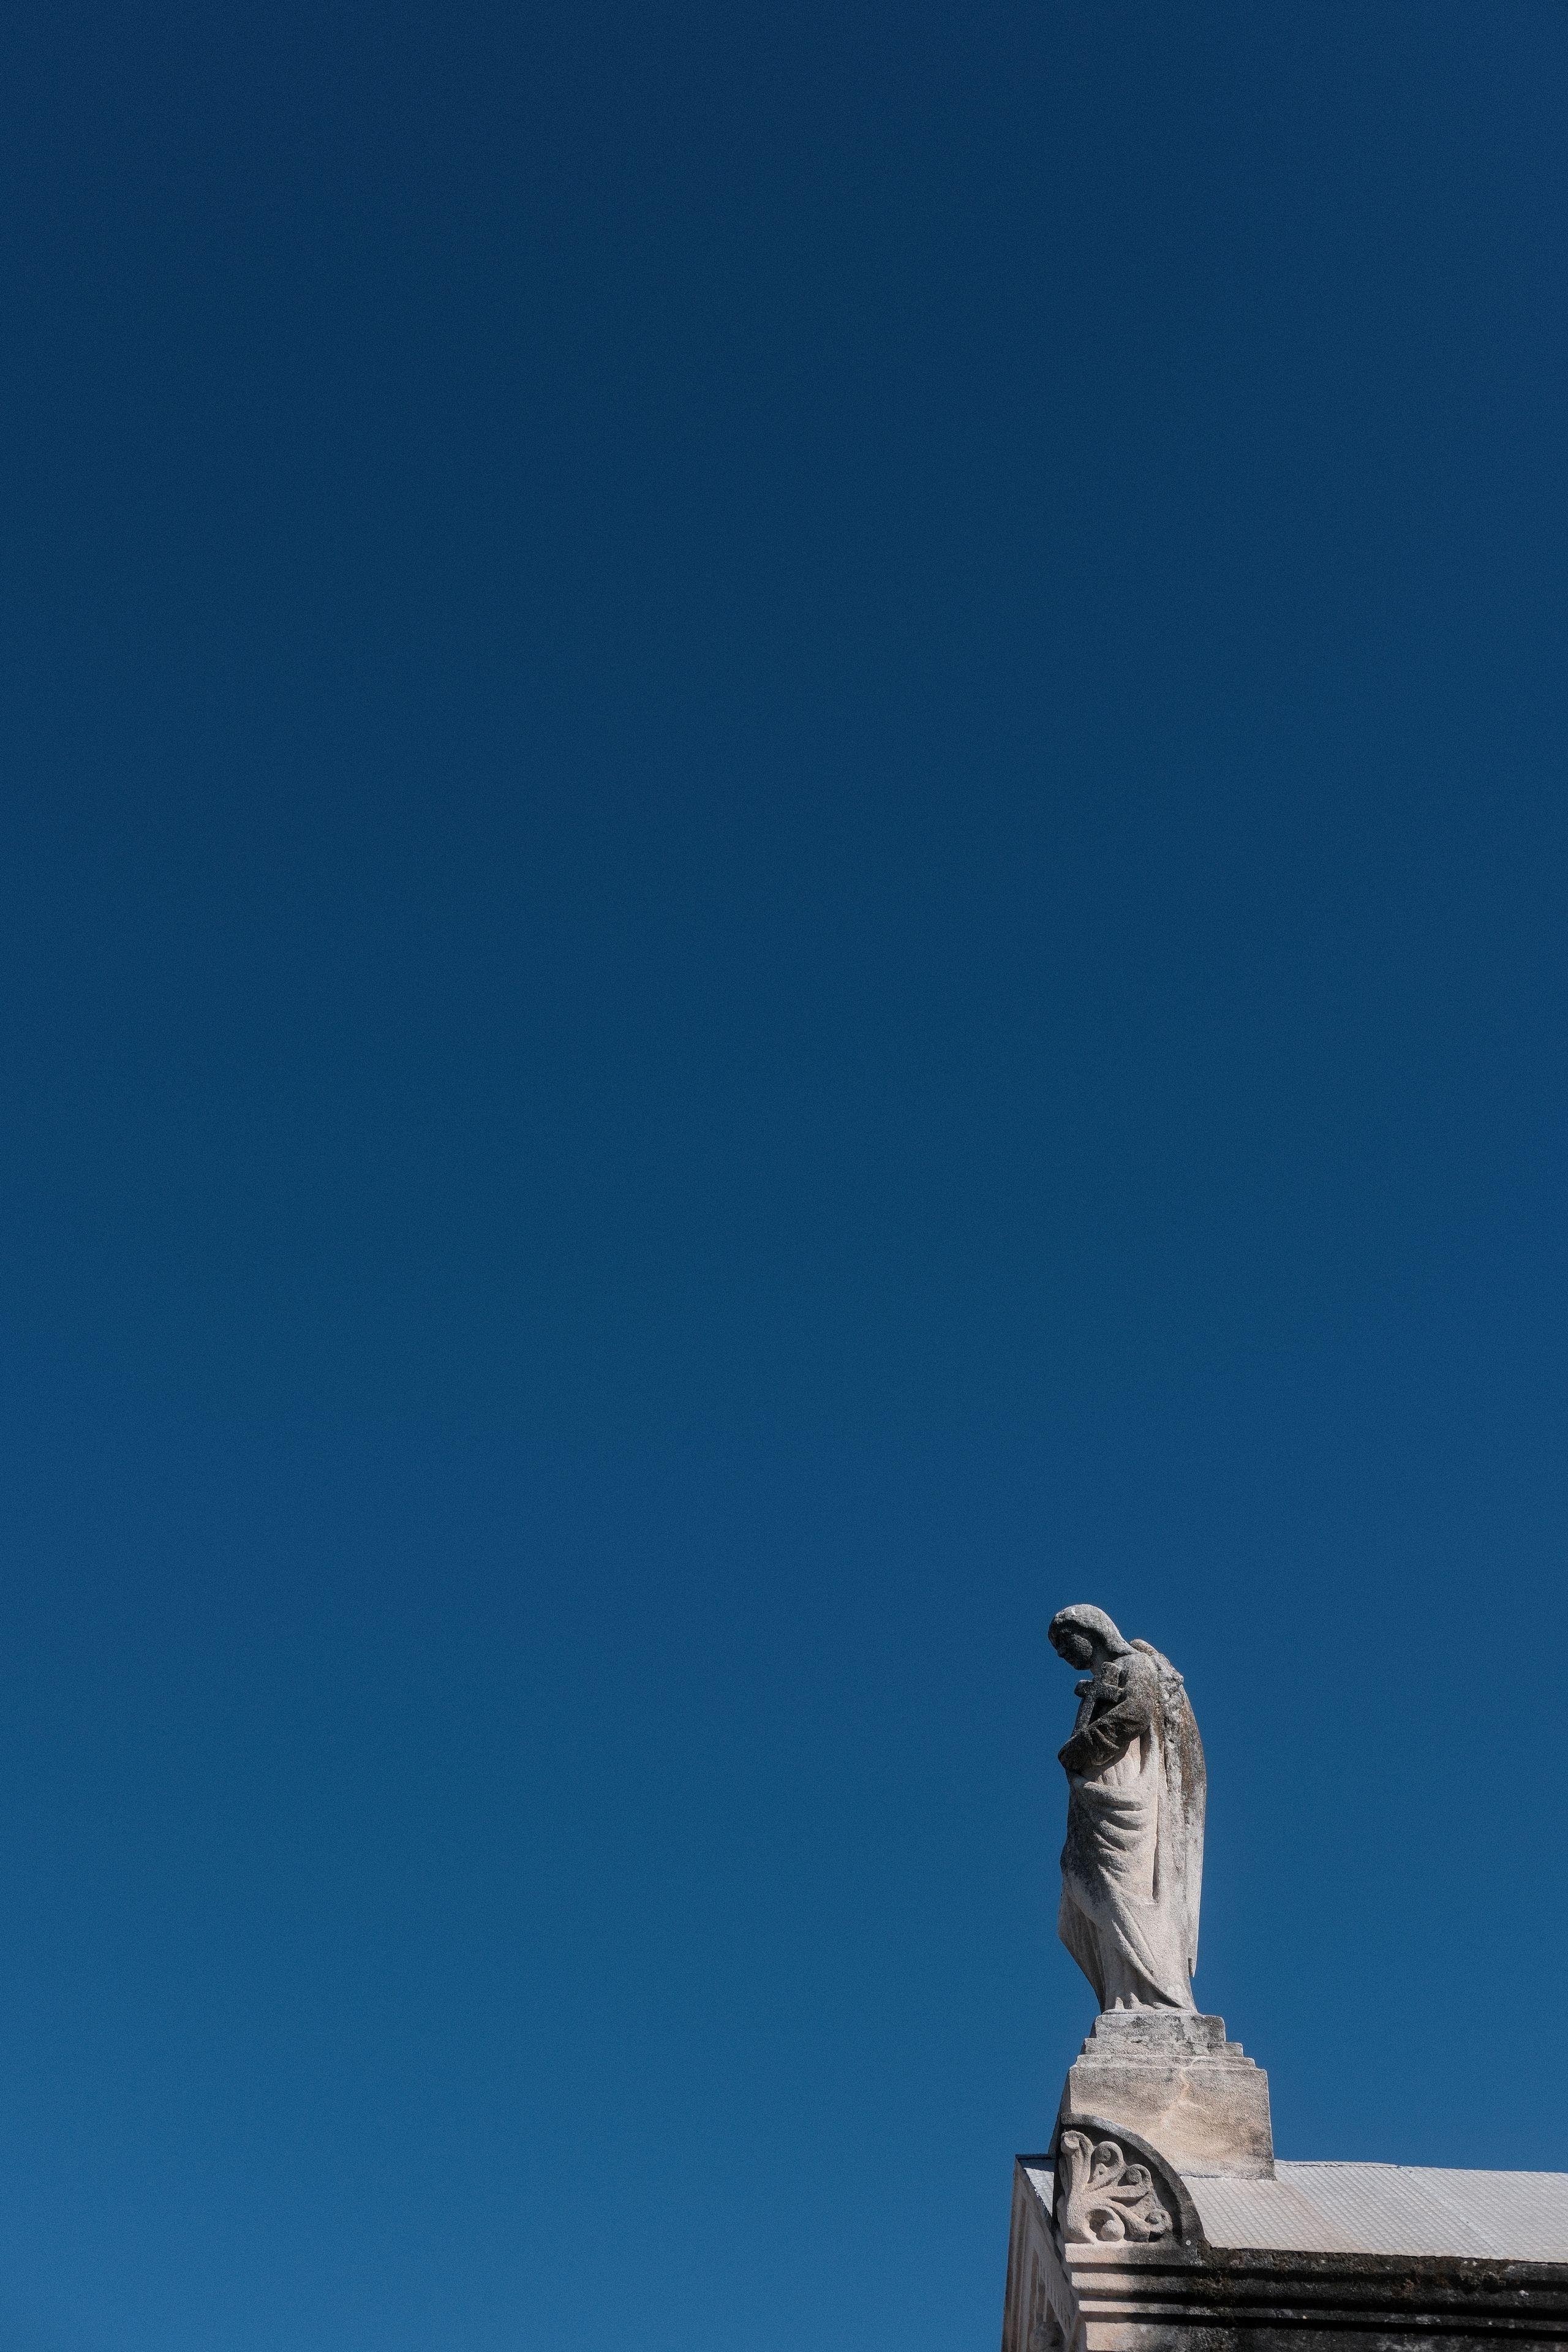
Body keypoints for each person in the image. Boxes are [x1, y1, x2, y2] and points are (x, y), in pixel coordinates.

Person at [1048, 1604, 1205, 2013]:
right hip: (1100, 1787)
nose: (1064, 1655)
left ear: (1092, 1630)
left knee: (1128, 1892)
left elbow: (1135, 1714)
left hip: (1127, 1788)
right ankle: (1123, 1995)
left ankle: (1159, 1997)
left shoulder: (1135, 1664)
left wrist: (1079, 1749)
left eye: (1066, 1643)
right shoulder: (1103, 1678)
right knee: (1089, 1887)